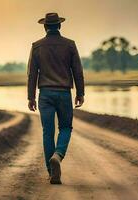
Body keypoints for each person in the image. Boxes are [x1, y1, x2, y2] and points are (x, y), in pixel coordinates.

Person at [27, 13, 85, 184]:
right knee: (66, 127)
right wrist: (80, 93)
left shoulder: (37, 46)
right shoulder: (70, 45)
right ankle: (58, 155)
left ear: (45, 27)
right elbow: (78, 71)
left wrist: (31, 97)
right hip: (64, 93)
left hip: (45, 94)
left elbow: (32, 74)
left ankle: (51, 172)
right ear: (59, 26)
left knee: (47, 132)